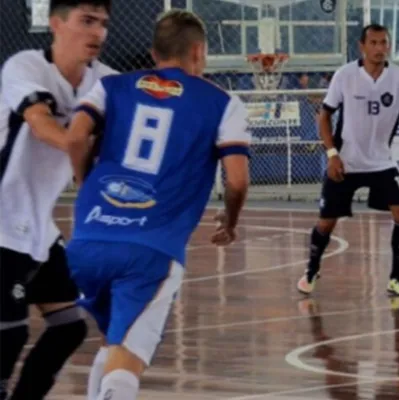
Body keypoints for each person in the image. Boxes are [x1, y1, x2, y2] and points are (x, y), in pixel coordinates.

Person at [64, 9, 251, 400]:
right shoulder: (221, 103)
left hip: (87, 241)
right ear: (199, 51)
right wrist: (230, 221)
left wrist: (86, 187)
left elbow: (76, 137)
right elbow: (237, 179)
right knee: (127, 362)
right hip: (150, 249)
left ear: (153, 53)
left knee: (112, 343)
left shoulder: (110, 86)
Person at [0, 1, 116, 398]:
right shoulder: (26, 67)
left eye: (102, 23)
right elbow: (39, 122)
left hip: (38, 226)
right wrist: (82, 146)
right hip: (2, 220)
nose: (97, 32)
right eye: (86, 21)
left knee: (68, 326)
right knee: (8, 334)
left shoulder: (105, 82)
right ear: (56, 24)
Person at [296, 23, 399, 297]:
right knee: (327, 222)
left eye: (383, 43)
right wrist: (332, 154)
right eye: (373, 43)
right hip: (346, 162)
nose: (379, 48)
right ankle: (311, 270)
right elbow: (324, 116)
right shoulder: (345, 76)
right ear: (361, 47)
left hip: (381, 163)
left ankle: (396, 278)